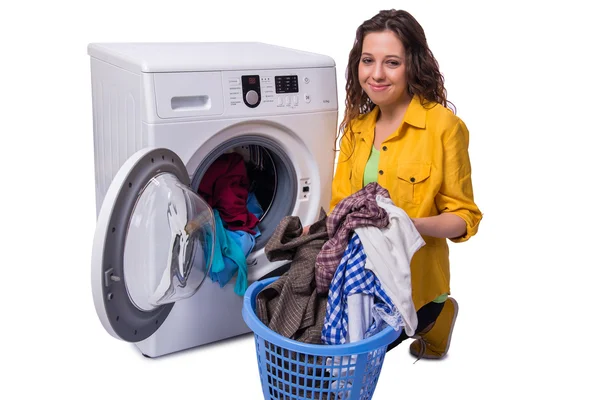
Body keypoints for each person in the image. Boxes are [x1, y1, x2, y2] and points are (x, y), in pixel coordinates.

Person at [309, 9, 482, 360]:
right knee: (309, 330)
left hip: (413, 288)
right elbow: (343, 206)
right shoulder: (357, 128)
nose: (375, 74)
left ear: (412, 66)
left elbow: (465, 218)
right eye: (367, 60)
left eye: (391, 63)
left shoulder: (443, 127)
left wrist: (404, 226)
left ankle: (437, 314)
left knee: (344, 360)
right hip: (359, 271)